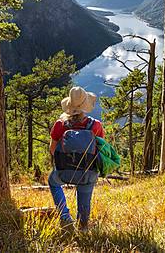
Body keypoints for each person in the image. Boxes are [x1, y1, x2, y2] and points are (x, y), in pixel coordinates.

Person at [48, 86, 105, 231]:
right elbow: (102, 150)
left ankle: (65, 217)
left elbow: (52, 149)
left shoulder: (60, 124)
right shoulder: (96, 126)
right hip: (88, 172)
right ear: (86, 105)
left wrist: (66, 163)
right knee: (85, 191)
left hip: (65, 172)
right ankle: (83, 227)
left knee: (53, 181)